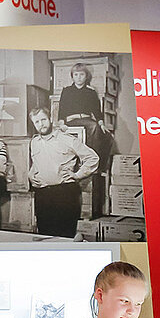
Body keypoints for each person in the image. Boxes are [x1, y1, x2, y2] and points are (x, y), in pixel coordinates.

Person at [25, 102, 97, 238]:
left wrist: (78, 175)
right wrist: (31, 174)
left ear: (50, 119)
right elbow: (38, 162)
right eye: (37, 122)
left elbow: (92, 158)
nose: (41, 124)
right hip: (43, 195)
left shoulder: (67, 139)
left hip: (65, 194)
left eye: (43, 120)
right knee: (45, 237)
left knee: (65, 237)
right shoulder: (34, 142)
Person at [57, 62, 114, 218]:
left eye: (81, 74)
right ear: (72, 76)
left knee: (107, 136)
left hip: (89, 121)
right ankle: (92, 161)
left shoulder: (90, 92)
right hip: (73, 121)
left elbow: (97, 111)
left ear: (86, 76)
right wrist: (61, 122)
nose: (78, 77)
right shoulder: (67, 91)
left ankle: (99, 166)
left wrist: (102, 123)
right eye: (76, 74)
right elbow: (61, 109)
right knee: (93, 127)